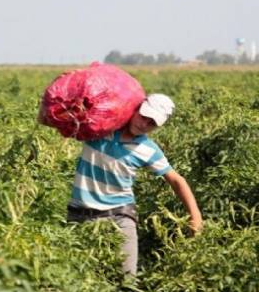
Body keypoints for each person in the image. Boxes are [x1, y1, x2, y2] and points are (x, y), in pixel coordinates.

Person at [66, 94, 203, 276]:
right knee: (76, 277)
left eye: (151, 123)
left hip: (119, 215)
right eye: (143, 116)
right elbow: (62, 116)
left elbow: (177, 180)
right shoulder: (102, 127)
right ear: (135, 108)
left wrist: (195, 216)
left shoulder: (147, 149)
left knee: (127, 279)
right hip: (79, 214)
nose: (143, 124)